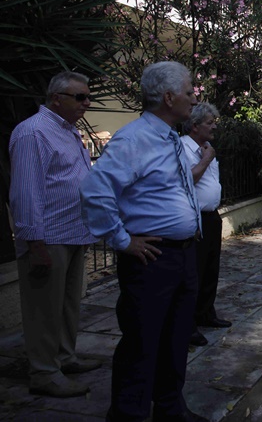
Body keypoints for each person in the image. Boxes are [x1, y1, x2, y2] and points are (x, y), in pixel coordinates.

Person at [81, 61, 208, 422]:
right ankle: (128, 415)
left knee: (175, 338)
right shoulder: (134, 138)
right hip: (152, 260)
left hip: (182, 257)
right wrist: (122, 240)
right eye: (188, 91)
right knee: (142, 343)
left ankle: (170, 409)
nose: (193, 97)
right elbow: (95, 190)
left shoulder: (169, 137)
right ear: (168, 98)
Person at [9, 71, 101, 398]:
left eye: (88, 97)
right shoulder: (34, 133)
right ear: (56, 99)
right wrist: (35, 243)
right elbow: (25, 193)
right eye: (80, 97)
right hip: (48, 237)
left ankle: (64, 357)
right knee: (43, 309)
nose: (87, 103)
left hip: (74, 232)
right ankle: (44, 373)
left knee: (67, 305)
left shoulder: (69, 131)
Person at [181, 102, 231, 347]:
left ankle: (206, 313)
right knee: (195, 271)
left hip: (212, 217)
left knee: (211, 268)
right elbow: (186, 180)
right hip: (195, 217)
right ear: (194, 125)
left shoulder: (207, 147)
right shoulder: (182, 147)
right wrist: (206, 159)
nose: (214, 126)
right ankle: (188, 325)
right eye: (209, 122)